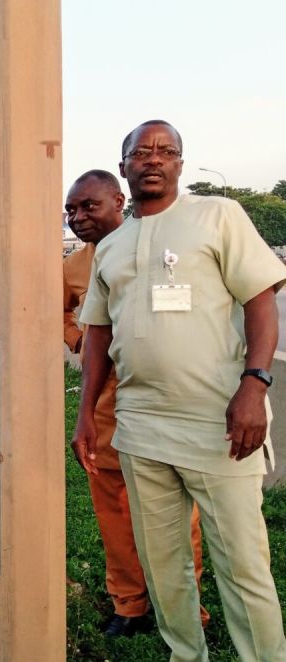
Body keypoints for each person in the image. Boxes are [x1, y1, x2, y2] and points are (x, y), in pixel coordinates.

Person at [73, 120, 286, 661]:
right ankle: (184, 653)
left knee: (243, 566)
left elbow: (260, 300)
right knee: (165, 566)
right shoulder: (112, 247)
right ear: (124, 166)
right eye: (141, 151)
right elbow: (97, 335)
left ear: (180, 166)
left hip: (219, 423)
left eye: (166, 151)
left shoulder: (217, 216)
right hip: (140, 427)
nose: (154, 158)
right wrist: (83, 418)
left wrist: (255, 384)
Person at [63, 170, 208, 637]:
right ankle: (129, 604)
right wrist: (78, 338)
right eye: (71, 211)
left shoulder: (155, 245)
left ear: (118, 201)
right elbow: (61, 309)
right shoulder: (72, 266)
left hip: (163, 401)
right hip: (106, 408)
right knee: (115, 511)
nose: (79, 218)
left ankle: (188, 610)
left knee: (178, 513)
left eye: (89, 207)